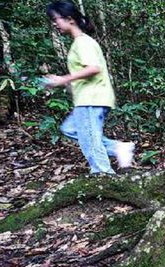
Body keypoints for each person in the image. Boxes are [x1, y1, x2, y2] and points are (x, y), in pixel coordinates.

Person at [44, 0, 133, 174]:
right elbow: (86, 74)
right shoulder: (79, 43)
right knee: (70, 129)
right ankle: (118, 149)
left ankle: (103, 174)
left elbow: (94, 68)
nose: (55, 24)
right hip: (88, 98)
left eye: (56, 19)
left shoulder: (83, 42)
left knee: (89, 140)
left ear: (70, 19)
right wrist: (64, 83)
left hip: (91, 99)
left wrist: (63, 79)